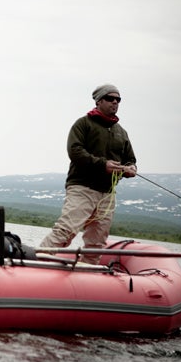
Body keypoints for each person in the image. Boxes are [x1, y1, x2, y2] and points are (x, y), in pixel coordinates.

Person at [39, 84, 137, 264]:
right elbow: (75, 152)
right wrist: (103, 164)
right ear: (99, 101)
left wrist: (130, 169)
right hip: (82, 188)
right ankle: (36, 262)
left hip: (107, 194)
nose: (115, 102)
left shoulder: (121, 133)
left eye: (118, 99)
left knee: (96, 242)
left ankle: (86, 276)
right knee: (65, 231)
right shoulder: (83, 124)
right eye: (110, 98)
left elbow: (130, 159)